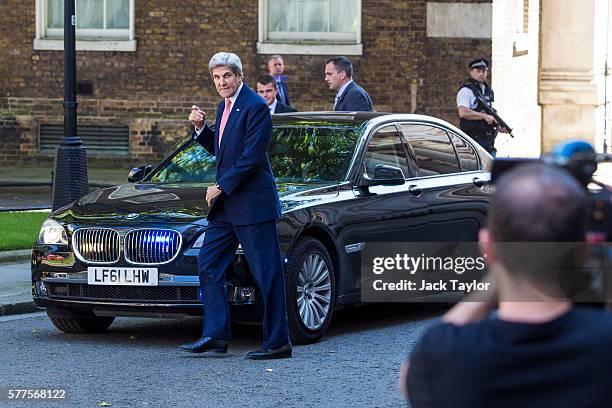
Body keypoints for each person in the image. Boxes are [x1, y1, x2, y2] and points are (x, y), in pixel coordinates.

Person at [400, 162, 612, 407]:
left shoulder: (443, 356)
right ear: (583, 250)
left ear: (487, 248)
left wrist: (497, 273)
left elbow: (409, 378)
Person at [180, 52, 292, 360]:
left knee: (266, 273)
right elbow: (224, 150)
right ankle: (215, 335)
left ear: (239, 76)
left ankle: (278, 342)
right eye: (216, 78)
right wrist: (202, 130)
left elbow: (251, 157)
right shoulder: (223, 105)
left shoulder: (255, 107)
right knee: (209, 264)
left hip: (253, 205)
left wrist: (221, 186)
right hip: (227, 208)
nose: (221, 82)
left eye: (226, 76)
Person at [457, 58, 507, 156]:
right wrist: (483, 116)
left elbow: (490, 113)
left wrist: (499, 126)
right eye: (478, 71)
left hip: (487, 140)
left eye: (484, 71)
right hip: (472, 140)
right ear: (471, 72)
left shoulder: (486, 90)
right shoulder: (466, 91)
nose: (481, 74)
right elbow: (463, 113)